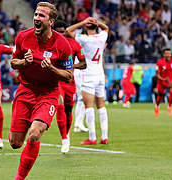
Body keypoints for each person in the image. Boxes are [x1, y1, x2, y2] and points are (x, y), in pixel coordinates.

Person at [10, 2, 73, 179]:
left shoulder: (62, 44)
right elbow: (13, 62)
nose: (36, 18)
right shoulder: (22, 37)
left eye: (41, 16)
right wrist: (24, 62)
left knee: (35, 133)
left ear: (51, 21)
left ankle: (19, 178)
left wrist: (52, 69)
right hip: (25, 91)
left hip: (48, 94)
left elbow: (68, 76)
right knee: (15, 143)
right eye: (36, 14)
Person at [67, 17, 109, 145]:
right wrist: (98, 23)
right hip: (100, 75)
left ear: (86, 27)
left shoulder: (84, 39)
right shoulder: (102, 37)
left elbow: (68, 31)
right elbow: (106, 28)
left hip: (88, 76)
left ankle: (92, 138)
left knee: (89, 106)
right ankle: (104, 137)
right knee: (101, 106)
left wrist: (83, 22)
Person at [52, 20, 86, 153]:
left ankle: (67, 135)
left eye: (63, 31)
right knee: (59, 105)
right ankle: (64, 138)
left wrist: (72, 66)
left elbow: (84, 64)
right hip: (56, 81)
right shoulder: (50, 44)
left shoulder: (74, 44)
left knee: (68, 110)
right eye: (58, 32)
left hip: (69, 82)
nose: (61, 34)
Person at [154, 48, 172, 117]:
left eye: (169, 54)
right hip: (162, 81)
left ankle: (169, 107)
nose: (168, 55)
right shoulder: (159, 62)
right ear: (164, 55)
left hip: (170, 80)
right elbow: (157, 75)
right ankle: (157, 106)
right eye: (166, 54)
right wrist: (163, 79)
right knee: (160, 95)